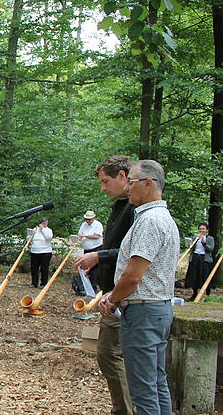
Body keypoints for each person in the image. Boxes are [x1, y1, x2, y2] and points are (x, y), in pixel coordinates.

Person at [98, 160, 180, 415]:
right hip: (158, 309)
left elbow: (133, 276)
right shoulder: (160, 217)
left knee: (143, 391)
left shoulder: (150, 221)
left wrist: (112, 299)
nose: (128, 187)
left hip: (144, 312)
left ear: (148, 183)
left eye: (132, 182)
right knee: (156, 384)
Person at [74, 155, 136, 415]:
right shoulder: (120, 206)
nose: (103, 188)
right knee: (110, 354)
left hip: (125, 293)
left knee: (109, 354)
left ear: (123, 176)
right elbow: (115, 248)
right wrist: (96, 260)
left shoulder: (136, 208)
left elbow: (132, 251)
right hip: (112, 291)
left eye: (106, 181)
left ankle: (125, 411)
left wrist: (99, 255)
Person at [186, 223, 216, 300]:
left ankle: (207, 294)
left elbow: (210, 249)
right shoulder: (195, 238)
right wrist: (190, 244)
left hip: (205, 259)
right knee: (194, 276)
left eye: (203, 229)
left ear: (207, 230)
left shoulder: (210, 238)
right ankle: (194, 293)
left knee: (205, 276)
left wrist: (203, 242)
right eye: (200, 229)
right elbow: (192, 249)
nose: (201, 230)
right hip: (196, 258)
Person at [77, 210, 104, 290]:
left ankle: (94, 288)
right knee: (85, 268)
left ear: (93, 218)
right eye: (86, 219)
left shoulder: (98, 224)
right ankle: (85, 287)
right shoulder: (83, 225)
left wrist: (85, 235)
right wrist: (80, 237)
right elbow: (80, 234)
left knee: (94, 269)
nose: (88, 221)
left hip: (96, 248)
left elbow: (96, 236)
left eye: (89, 219)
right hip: (86, 249)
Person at [29, 217, 54, 288]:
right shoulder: (35, 229)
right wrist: (31, 234)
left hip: (45, 252)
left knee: (44, 268)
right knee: (34, 268)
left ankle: (43, 283)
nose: (44, 223)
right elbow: (29, 239)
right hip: (34, 252)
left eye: (46, 222)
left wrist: (43, 229)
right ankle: (34, 283)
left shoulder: (48, 230)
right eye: (43, 222)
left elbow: (49, 237)